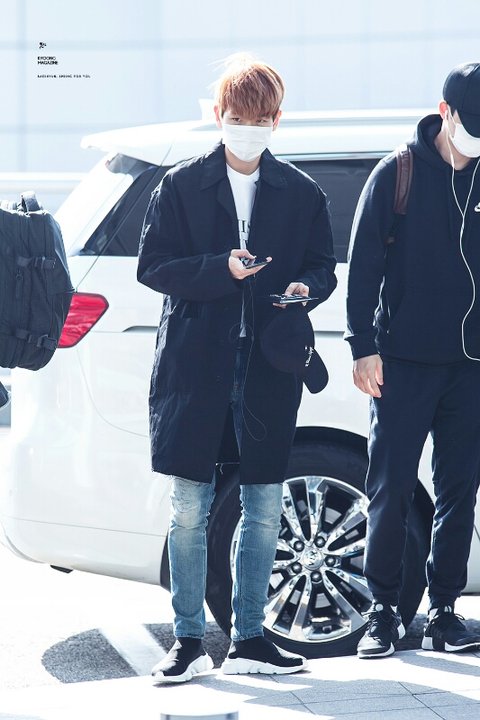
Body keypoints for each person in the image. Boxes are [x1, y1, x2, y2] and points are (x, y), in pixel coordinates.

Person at [137, 53, 337, 683]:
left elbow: (323, 267)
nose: (246, 129)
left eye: (258, 119)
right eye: (236, 117)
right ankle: (188, 641)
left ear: (276, 120)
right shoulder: (180, 185)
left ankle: (250, 639)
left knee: (264, 501)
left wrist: (305, 289)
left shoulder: (300, 191)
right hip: (196, 362)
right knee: (190, 506)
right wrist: (218, 269)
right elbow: (152, 267)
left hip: (269, 362)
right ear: (219, 115)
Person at [346, 61, 480, 659]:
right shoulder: (396, 172)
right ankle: (383, 610)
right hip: (401, 362)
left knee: (459, 489)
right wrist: (362, 348)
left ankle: (444, 611)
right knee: (391, 486)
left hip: (471, 364)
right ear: (445, 112)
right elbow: (363, 268)